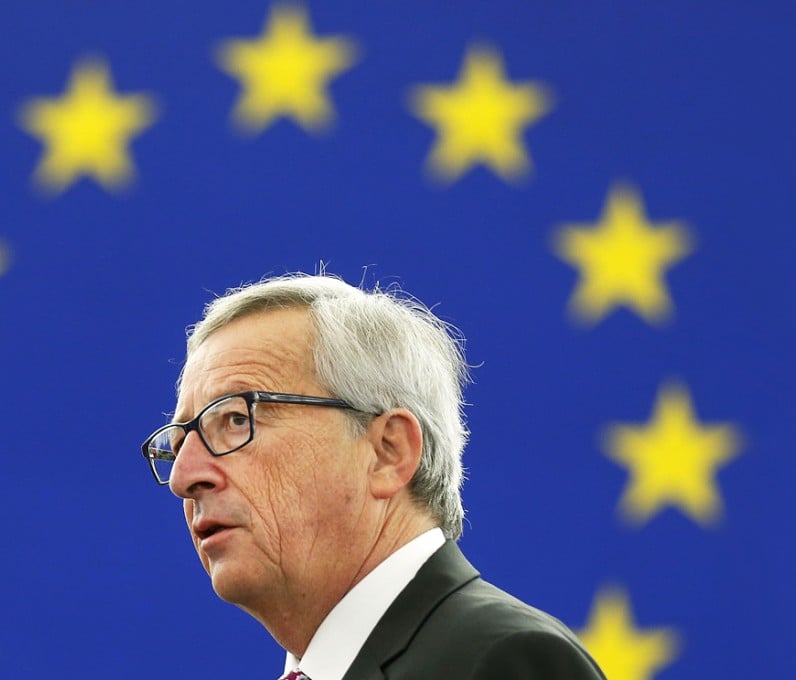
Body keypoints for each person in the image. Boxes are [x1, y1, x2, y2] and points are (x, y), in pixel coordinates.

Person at [141, 273, 605, 680]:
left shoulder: (502, 661)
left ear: (387, 452)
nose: (183, 477)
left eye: (236, 419)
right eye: (178, 445)